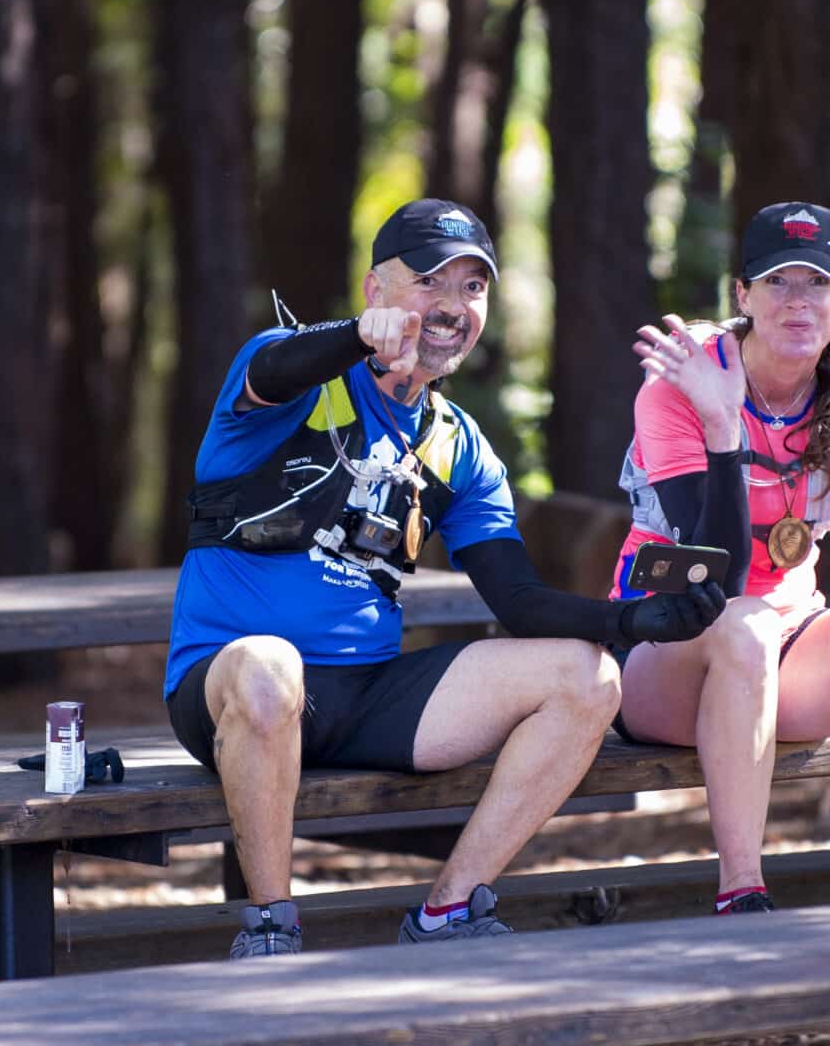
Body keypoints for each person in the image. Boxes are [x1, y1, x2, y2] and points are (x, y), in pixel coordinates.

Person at [167, 198, 727, 957]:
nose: (451, 305)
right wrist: (357, 338)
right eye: (428, 280)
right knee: (270, 668)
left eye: (472, 287)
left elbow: (518, 601)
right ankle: (272, 929)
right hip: (232, 688)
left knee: (589, 678)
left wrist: (631, 623)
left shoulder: (459, 446)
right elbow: (275, 369)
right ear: (375, 289)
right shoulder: (291, 370)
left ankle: (448, 911)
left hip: (365, 694)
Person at [609, 201, 830, 912]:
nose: (798, 301)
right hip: (666, 649)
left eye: (818, 283)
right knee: (742, 622)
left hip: (786, 648)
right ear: (743, 295)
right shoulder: (684, 381)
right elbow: (719, 571)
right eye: (777, 281)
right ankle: (742, 894)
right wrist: (721, 426)